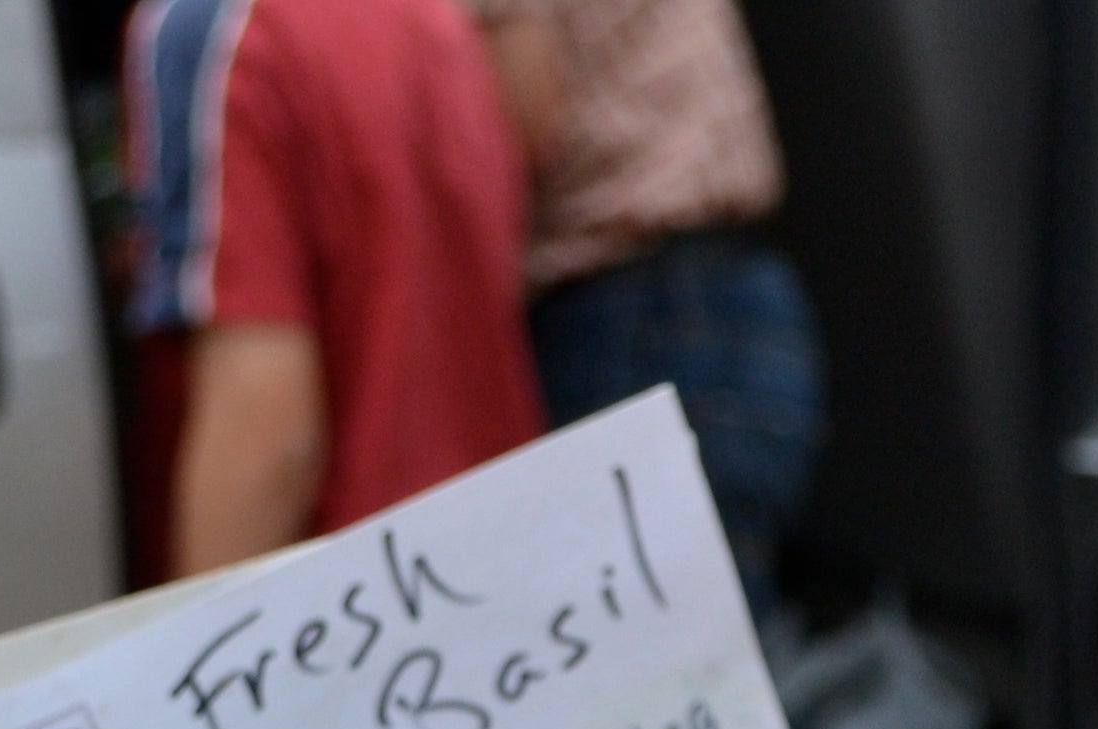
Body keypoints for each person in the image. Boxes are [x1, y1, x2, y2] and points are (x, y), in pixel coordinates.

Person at [118, 0, 548, 582]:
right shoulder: (437, 20)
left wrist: (201, 652)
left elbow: (268, 436)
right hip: (487, 562)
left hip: (342, 601)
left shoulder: (219, 30)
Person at [471, 0, 823, 605]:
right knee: (708, 645)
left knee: (659, 664)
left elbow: (520, 121)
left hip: (633, 316)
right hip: (726, 300)